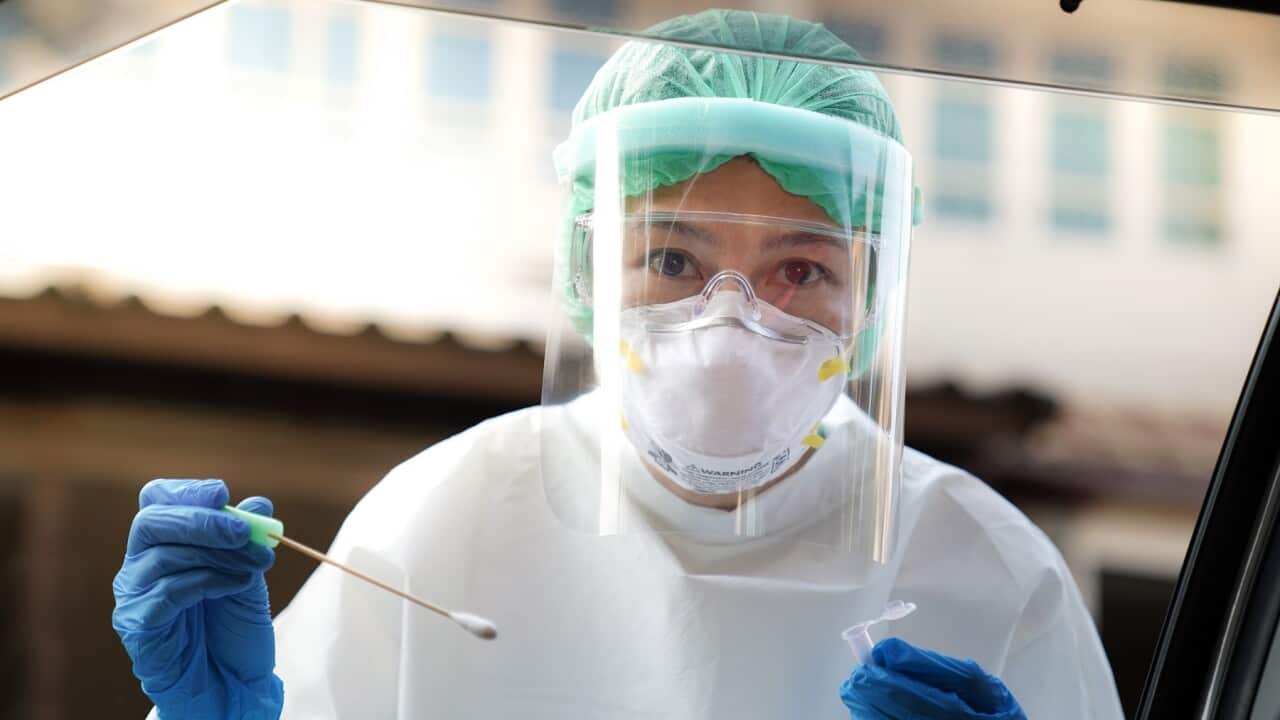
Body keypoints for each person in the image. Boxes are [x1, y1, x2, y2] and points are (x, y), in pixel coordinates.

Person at [111, 9, 1124, 719]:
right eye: (673, 259)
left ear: (869, 300)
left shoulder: (987, 571)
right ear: (584, 272)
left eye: (801, 269)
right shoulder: (445, 516)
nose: (730, 326)